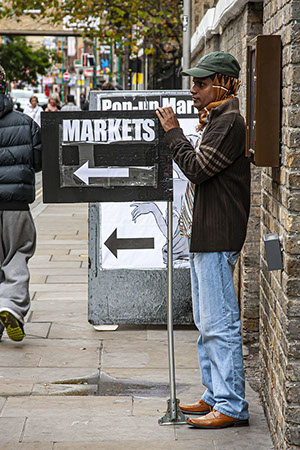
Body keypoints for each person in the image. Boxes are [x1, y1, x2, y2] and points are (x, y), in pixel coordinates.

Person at [156, 51, 250, 429]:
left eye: (200, 83)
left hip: (217, 232)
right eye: (192, 82)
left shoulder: (229, 122)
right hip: (202, 232)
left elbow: (197, 168)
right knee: (204, 319)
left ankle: (231, 404)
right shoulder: (216, 118)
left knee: (220, 321)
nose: (192, 89)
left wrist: (173, 133)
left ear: (222, 84)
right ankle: (214, 394)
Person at [0, 65, 42, 342]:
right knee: (16, 253)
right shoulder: (25, 123)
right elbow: (40, 161)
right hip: (15, 204)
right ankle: (10, 305)